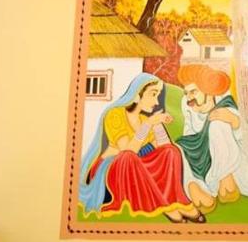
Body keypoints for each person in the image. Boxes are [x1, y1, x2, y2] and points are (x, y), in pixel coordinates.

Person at [79, 72, 205, 223]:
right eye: (153, 94)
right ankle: (165, 206)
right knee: (129, 157)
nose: (156, 101)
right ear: (137, 96)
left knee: (172, 151)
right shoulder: (115, 114)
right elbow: (127, 150)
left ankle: (176, 202)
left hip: (139, 163)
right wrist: (149, 124)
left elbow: (164, 148)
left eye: (158, 95)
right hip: (113, 167)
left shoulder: (144, 119)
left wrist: (157, 125)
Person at [176, 64, 248, 213]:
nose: (189, 98)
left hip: (239, 171)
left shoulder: (226, 104)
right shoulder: (188, 106)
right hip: (208, 170)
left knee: (217, 123)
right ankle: (194, 188)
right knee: (178, 147)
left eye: (193, 92)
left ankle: (226, 179)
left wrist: (235, 121)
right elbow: (188, 137)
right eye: (186, 93)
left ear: (208, 91)